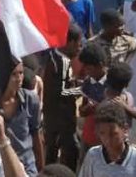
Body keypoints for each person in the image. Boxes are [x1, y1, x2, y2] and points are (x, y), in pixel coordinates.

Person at [78, 102, 136, 177]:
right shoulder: (93, 156)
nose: (108, 139)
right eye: (102, 133)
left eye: (113, 134)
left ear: (125, 129)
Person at [42, 24, 81, 170]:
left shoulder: (54, 57)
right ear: (70, 43)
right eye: (78, 44)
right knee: (70, 152)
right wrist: (82, 90)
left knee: (52, 152)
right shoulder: (62, 62)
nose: (79, 49)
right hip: (61, 119)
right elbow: (63, 92)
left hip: (53, 117)